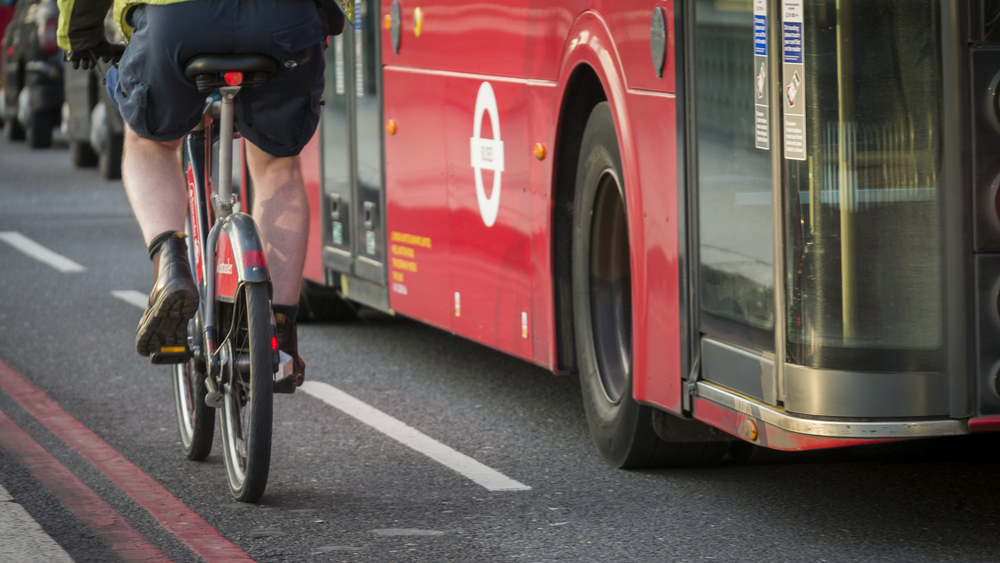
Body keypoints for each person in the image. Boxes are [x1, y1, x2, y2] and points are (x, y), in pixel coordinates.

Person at [57, 0, 346, 393]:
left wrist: (81, 35)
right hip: (283, 20)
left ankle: (171, 265)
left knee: (150, 143)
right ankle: (278, 337)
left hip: (176, 21)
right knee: (279, 165)